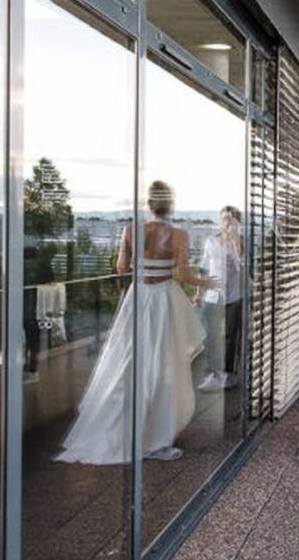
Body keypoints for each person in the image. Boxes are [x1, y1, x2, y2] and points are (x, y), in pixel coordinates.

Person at [56, 181, 208, 464]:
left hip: (138, 298)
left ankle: (127, 429)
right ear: (169, 204)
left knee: (128, 359)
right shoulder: (178, 235)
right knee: (162, 363)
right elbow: (184, 275)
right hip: (163, 300)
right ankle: (156, 434)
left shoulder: (130, 230)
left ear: (149, 204)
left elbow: (121, 268)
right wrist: (204, 281)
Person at [196, 205, 243, 392]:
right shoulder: (211, 242)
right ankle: (211, 374)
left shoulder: (240, 243)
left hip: (232, 296)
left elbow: (242, 264)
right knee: (210, 336)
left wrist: (235, 240)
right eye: (224, 219)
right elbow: (204, 269)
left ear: (236, 223)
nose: (226, 223)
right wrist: (199, 293)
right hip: (212, 296)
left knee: (231, 338)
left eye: (230, 220)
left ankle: (228, 374)